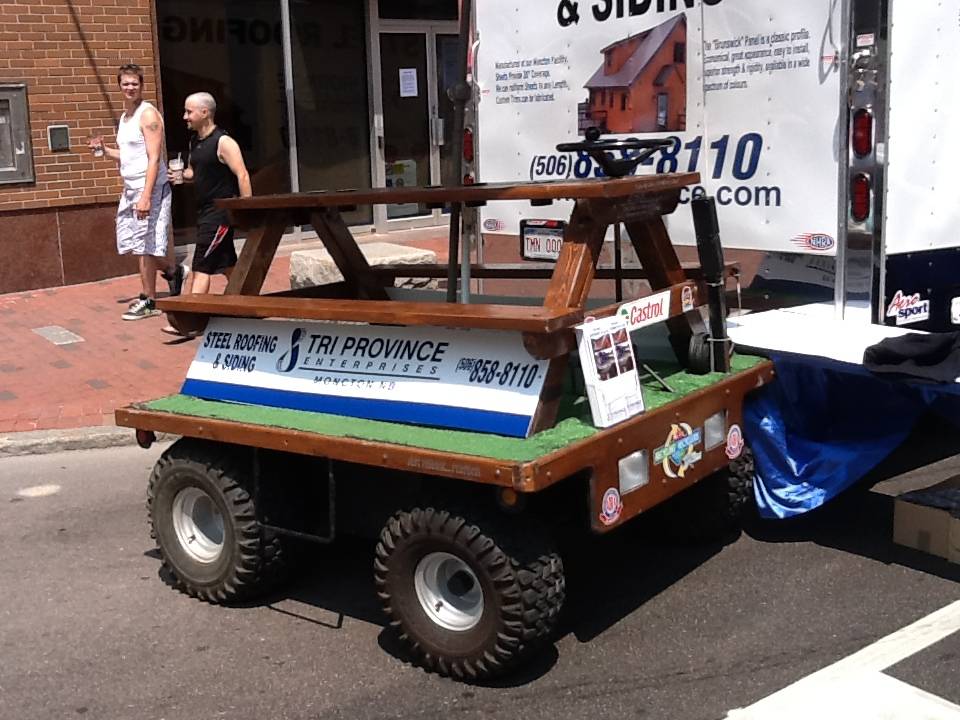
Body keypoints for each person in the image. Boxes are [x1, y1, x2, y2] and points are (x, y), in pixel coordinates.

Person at [89, 63, 187, 320]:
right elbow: (129, 155)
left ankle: (149, 301)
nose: (130, 87)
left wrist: (146, 197)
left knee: (144, 244)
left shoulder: (148, 115)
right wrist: (104, 150)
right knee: (136, 243)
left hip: (150, 188)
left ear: (142, 85)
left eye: (134, 83)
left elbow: (154, 158)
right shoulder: (125, 117)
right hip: (130, 187)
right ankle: (173, 272)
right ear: (120, 86)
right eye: (125, 84)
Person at [172, 92, 251, 297]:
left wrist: (248, 211)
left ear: (204, 112)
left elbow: (242, 175)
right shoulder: (194, 141)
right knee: (226, 263)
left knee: (201, 266)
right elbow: (194, 172)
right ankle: (248, 298)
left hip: (220, 214)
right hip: (204, 211)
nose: (184, 117)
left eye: (189, 112)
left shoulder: (224, 142)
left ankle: (190, 319)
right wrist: (182, 174)